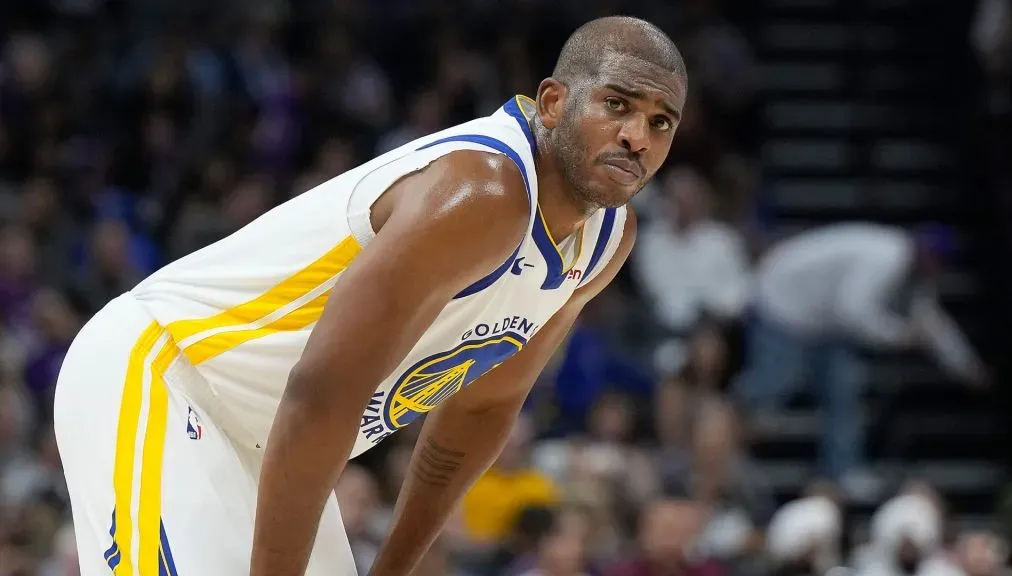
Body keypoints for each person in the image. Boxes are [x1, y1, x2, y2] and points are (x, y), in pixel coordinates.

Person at [52, 16, 687, 576]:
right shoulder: (483, 190)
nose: (638, 135)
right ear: (552, 102)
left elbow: (479, 413)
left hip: (274, 442)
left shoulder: (604, 241)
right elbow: (321, 393)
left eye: (660, 122)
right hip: (167, 373)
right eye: (618, 105)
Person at [733, 222, 988, 499]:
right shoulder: (885, 259)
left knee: (844, 394)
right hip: (784, 300)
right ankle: (720, 445)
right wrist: (898, 335)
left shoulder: (913, 272)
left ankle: (842, 472)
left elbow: (930, 321)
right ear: (924, 251)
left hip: (824, 320)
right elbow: (852, 310)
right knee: (771, 385)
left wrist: (965, 365)